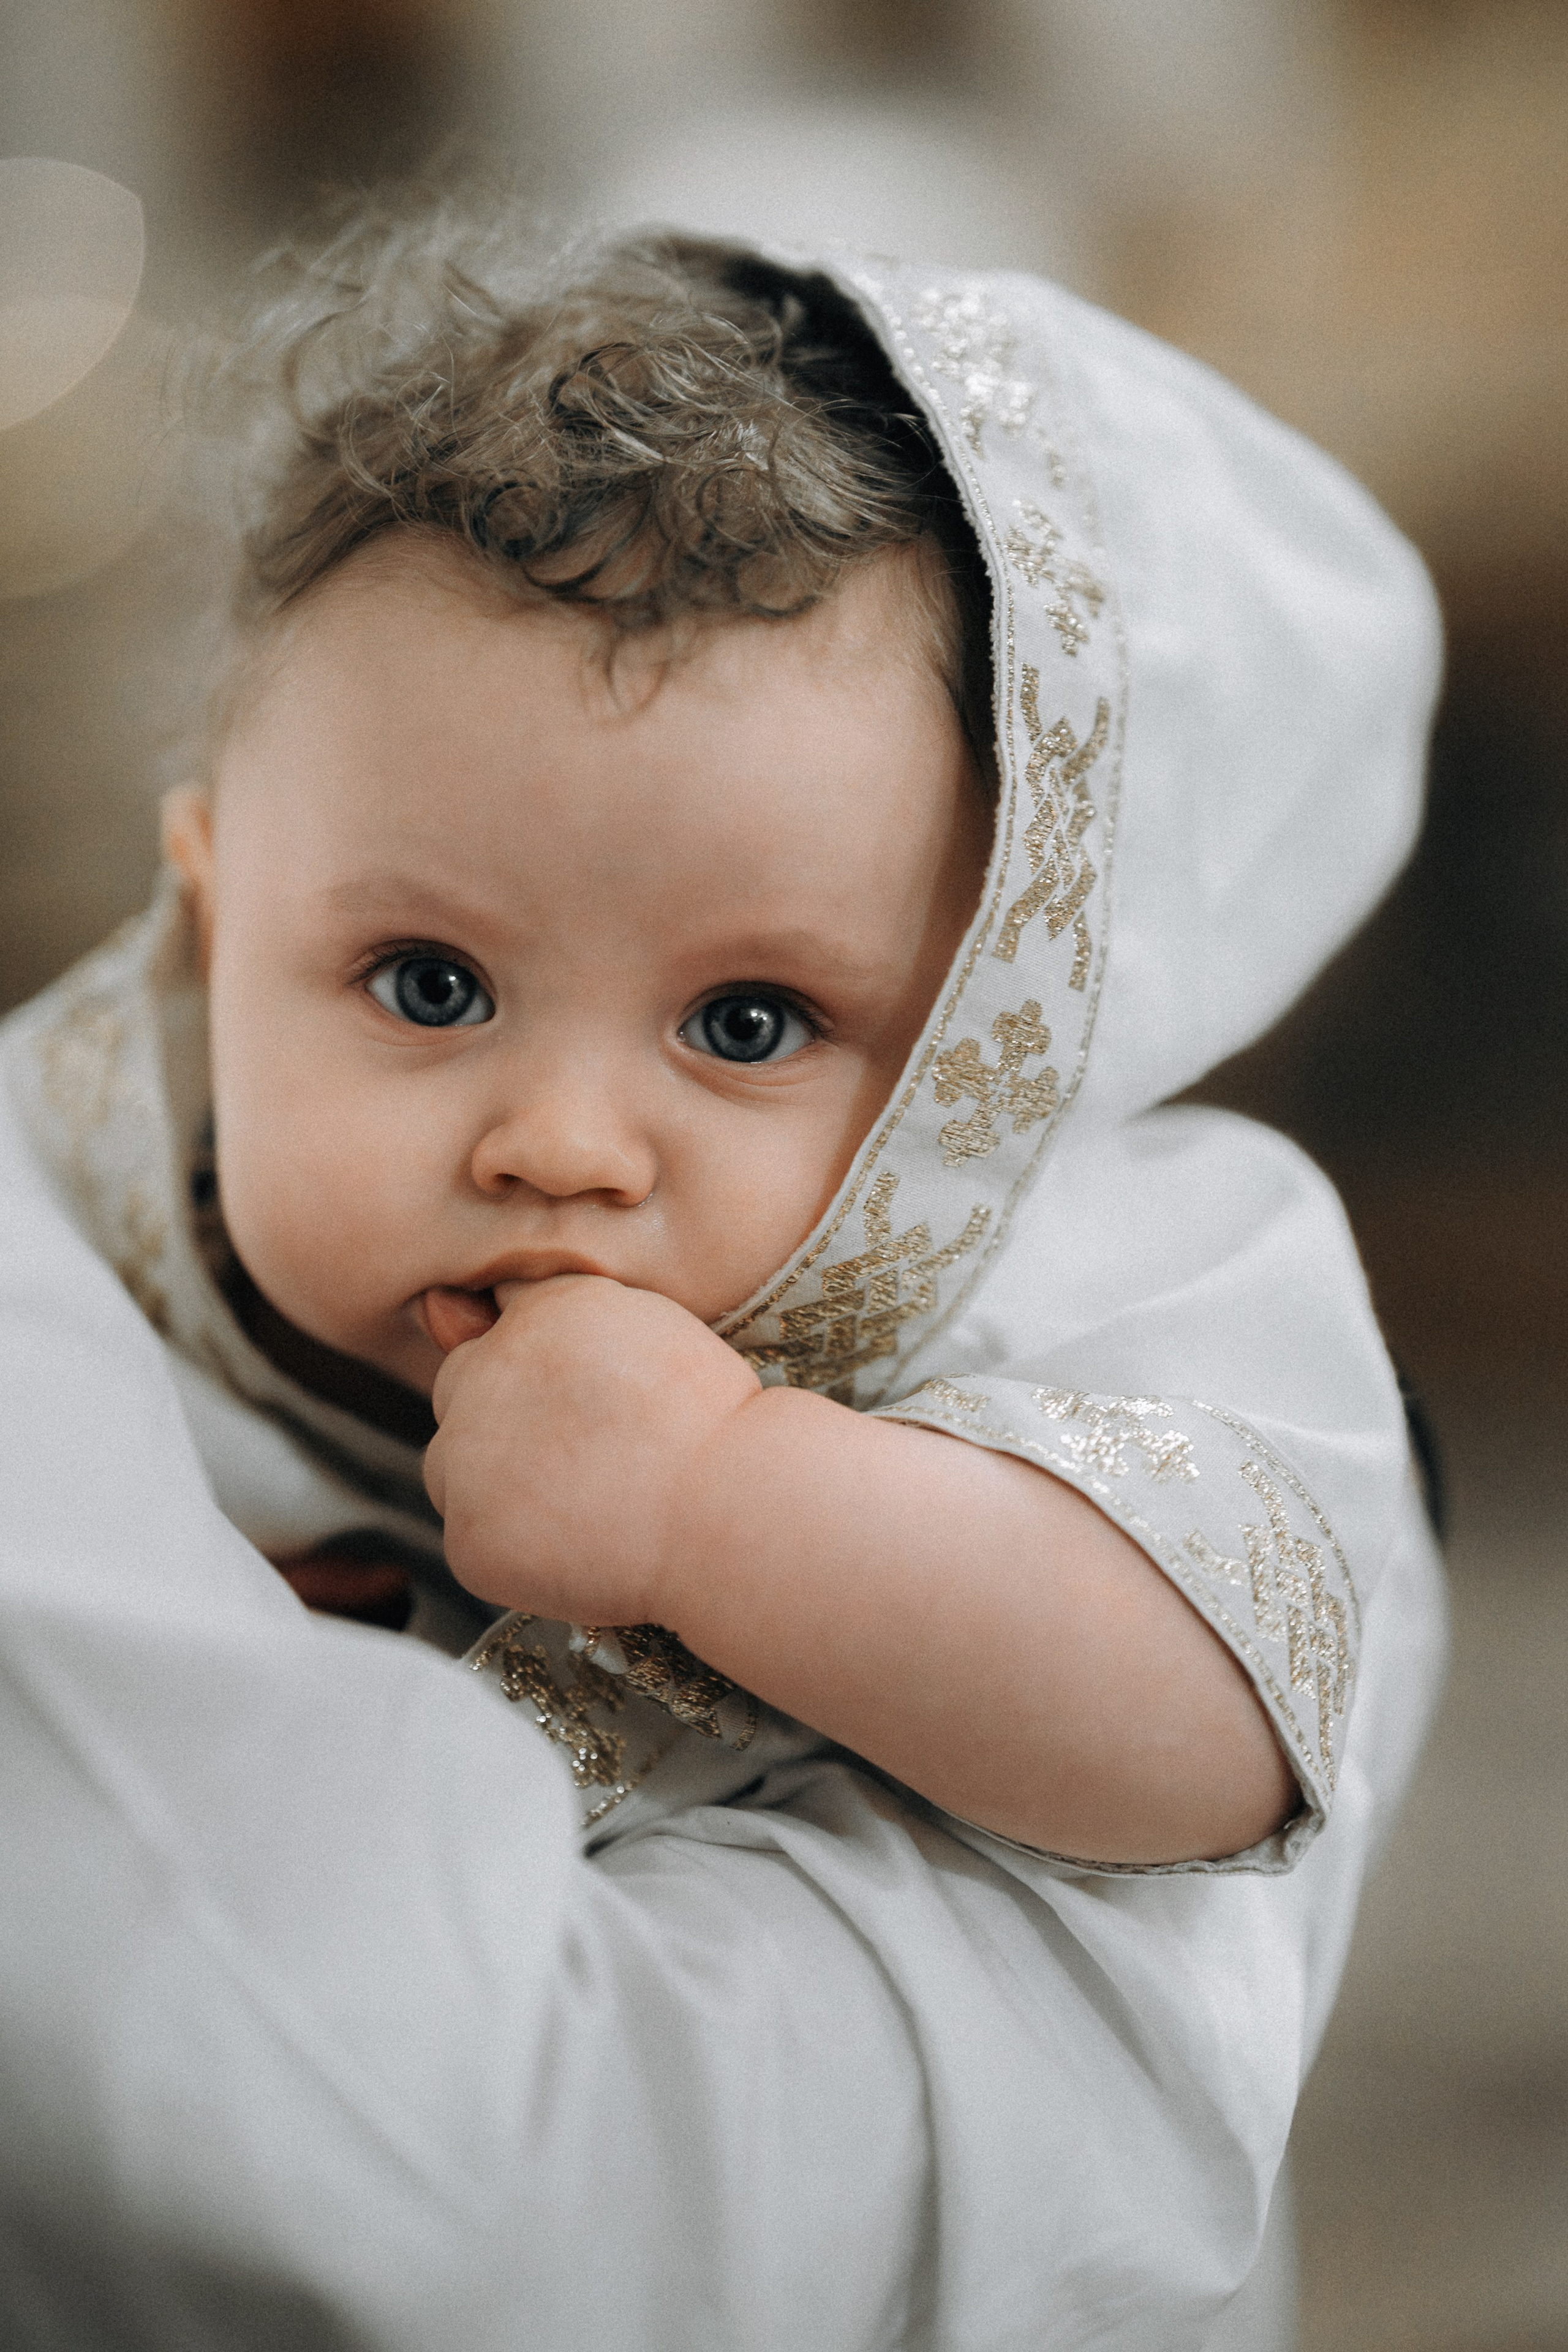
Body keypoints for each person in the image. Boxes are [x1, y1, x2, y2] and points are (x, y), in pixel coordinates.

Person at [0, 213, 1445, 2350]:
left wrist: (718, 1499)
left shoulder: (1084, 1258)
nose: (559, 1142)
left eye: (749, 1023)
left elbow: (1217, 1738)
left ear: (984, 1033)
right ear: (215, 922)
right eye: (427, 983)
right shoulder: (83, 1183)